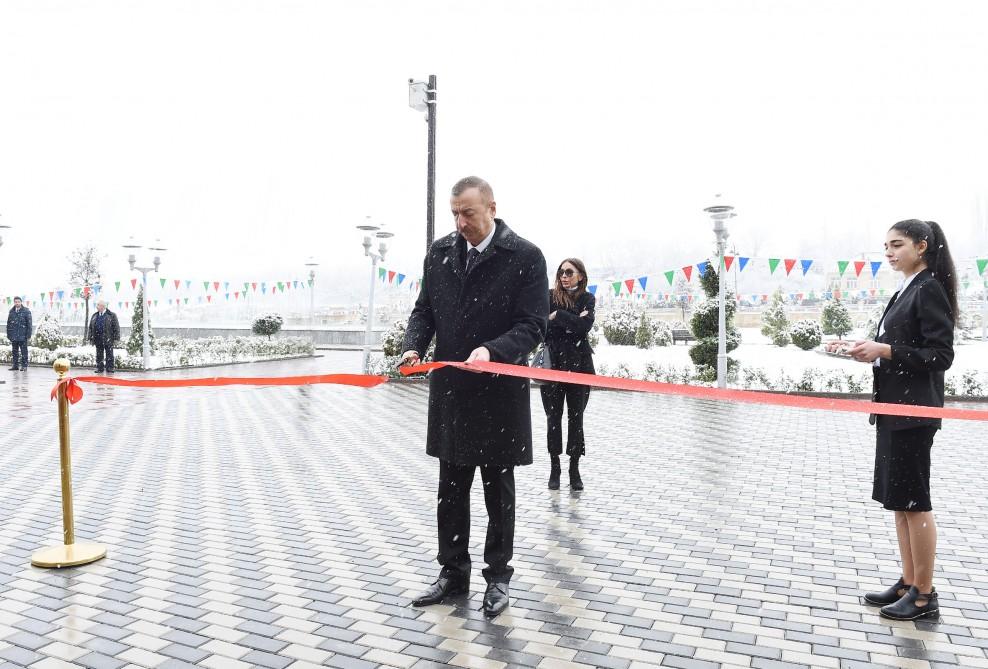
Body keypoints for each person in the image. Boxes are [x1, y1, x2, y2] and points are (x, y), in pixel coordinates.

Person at [401, 176, 548, 618]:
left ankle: (498, 577)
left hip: (498, 392)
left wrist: (492, 351)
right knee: (451, 488)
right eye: (454, 214)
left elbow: (532, 324)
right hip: (453, 393)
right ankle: (452, 573)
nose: (460, 222)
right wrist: (414, 345)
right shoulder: (440, 253)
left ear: (491, 208)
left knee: (497, 490)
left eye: (467, 213)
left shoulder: (525, 256)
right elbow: (424, 310)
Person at [830, 219, 956, 621]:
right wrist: (860, 347)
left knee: (916, 503)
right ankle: (907, 582)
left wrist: (884, 350)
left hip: (914, 413)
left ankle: (924, 595)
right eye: (885, 245)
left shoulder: (929, 288)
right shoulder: (907, 288)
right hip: (893, 410)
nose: (888, 252)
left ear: (921, 246)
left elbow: (941, 356)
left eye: (897, 244)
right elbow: (901, 344)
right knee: (900, 502)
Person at [541, 258, 595, 490]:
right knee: (553, 418)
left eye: (569, 272)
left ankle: (574, 467)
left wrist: (558, 317)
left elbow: (584, 327)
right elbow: (542, 327)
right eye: (561, 272)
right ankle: (555, 466)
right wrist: (569, 320)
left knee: (576, 418)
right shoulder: (549, 295)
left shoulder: (587, 298)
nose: (564, 276)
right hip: (553, 365)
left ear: (580, 276)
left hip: (580, 366)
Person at [88, 300, 121, 373]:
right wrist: (90, 337)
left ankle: (110, 368)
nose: (97, 307)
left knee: (109, 354)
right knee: (99, 355)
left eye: (98, 305)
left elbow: (116, 327)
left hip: (108, 338)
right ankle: (100, 368)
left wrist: (116, 338)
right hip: (98, 338)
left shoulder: (112, 315)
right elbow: (90, 327)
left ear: (103, 306)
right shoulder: (95, 315)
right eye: (97, 305)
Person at [6, 297, 32, 371]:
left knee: (24, 351)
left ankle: (24, 366)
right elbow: (9, 324)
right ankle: (15, 366)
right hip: (14, 335)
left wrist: (28, 335)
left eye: (18, 302)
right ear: (14, 302)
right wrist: (9, 334)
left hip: (23, 335)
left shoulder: (26, 311)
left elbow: (29, 324)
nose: (17, 303)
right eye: (15, 302)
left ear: (21, 302)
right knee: (14, 351)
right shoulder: (12, 311)